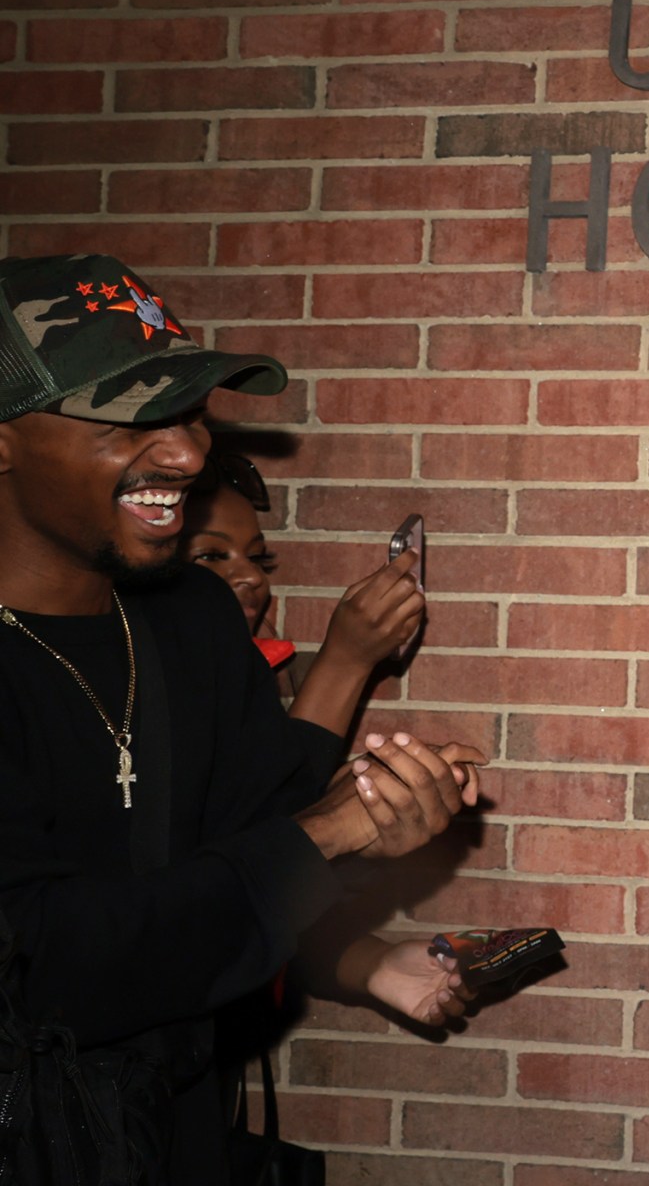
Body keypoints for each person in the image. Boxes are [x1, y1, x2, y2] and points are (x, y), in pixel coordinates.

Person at [0, 253, 485, 1181]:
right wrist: (326, 832)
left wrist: (371, 810)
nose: (187, 454)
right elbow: (42, 972)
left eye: (187, 412)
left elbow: (257, 849)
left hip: (177, 1131)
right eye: (131, 415)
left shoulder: (190, 616)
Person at [184, 446, 425, 737]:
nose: (252, 576)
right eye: (211, 555)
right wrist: (346, 658)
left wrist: (370, 776)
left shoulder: (254, 675)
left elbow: (279, 778)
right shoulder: (147, 687)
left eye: (257, 557)